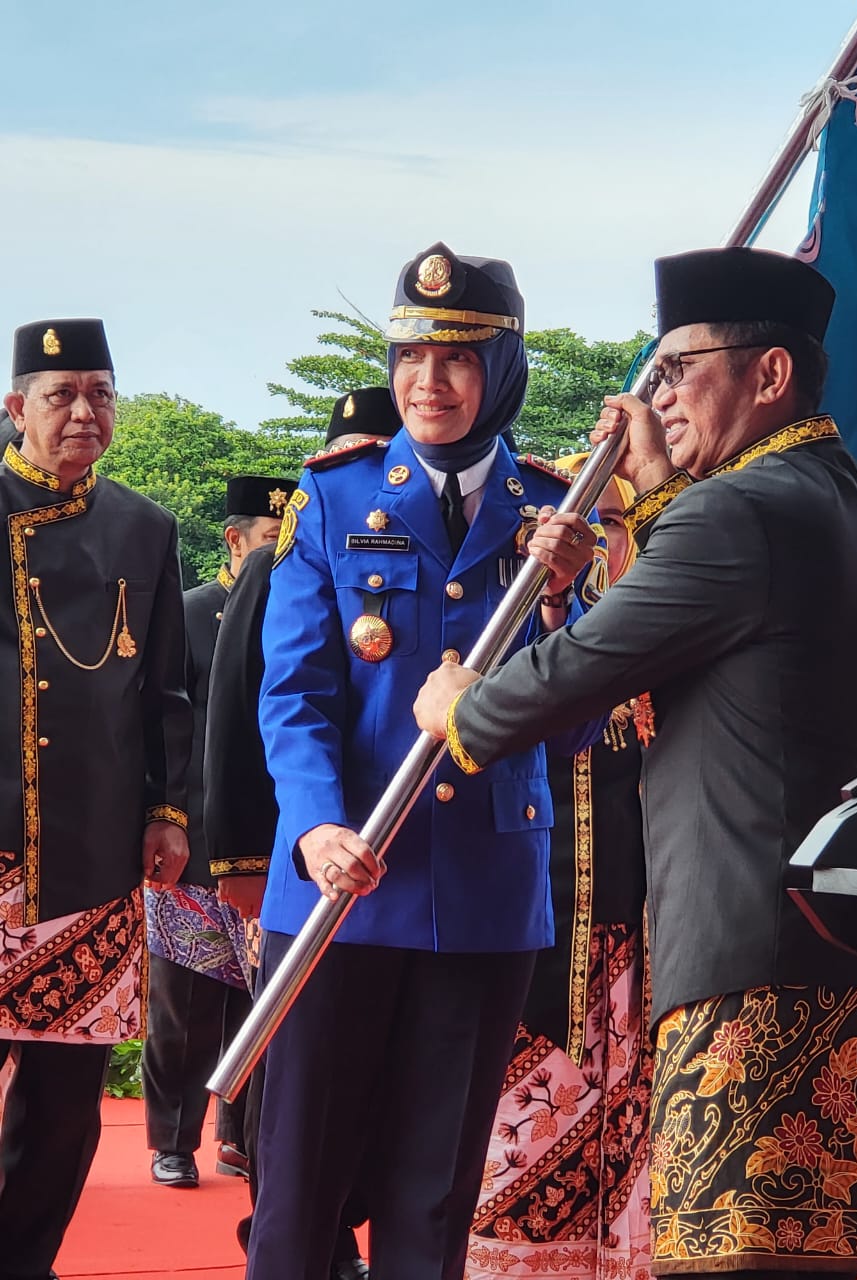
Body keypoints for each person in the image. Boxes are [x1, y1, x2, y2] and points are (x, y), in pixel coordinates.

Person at [414, 247, 857, 1280]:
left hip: (741, 964)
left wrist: (464, 706)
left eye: (679, 367)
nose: (659, 396)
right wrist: (653, 497)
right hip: (829, 951)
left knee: (734, 1262)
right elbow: (711, 630)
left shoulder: (741, 513)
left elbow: (575, 669)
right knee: (807, 1260)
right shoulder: (855, 506)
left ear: (768, 375)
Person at [246, 242, 598, 1280]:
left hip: (481, 896)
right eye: (409, 355)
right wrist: (313, 823)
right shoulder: (337, 500)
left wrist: (562, 599)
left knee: (433, 1195)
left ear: (506, 368)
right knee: (299, 1190)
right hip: (336, 884)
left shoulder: (553, 517)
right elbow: (296, 691)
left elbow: (571, 728)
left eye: (457, 358)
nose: (427, 382)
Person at [0, 318, 191, 1280]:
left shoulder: (146, 529)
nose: (84, 412)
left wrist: (169, 811)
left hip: (91, 848)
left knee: (68, 1088)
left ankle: (25, 1259)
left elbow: (167, 693)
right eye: (61, 394)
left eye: (100, 393)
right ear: (14, 408)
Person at [204, 386, 402, 1276]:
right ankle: (299, 1236)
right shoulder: (289, 551)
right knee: (294, 1081)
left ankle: (340, 1234)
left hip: (392, 869)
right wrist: (244, 859)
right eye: (352, 448)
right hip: (297, 856)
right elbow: (246, 718)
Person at [466, 454, 653, 1280]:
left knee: (638, 1138)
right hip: (529, 922)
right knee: (519, 1129)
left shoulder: (669, 622)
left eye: (618, 526)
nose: (603, 546)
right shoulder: (517, 624)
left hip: (640, 934)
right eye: (589, 528)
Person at [143, 473, 295, 1190]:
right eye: (271, 541)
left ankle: (244, 1140)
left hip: (276, 843)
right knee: (185, 1007)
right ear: (235, 542)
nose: (282, 553)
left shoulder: (302, 609)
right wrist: (163, 817)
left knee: (261, 1001)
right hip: (192, 843)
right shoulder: (190, 613)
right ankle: (173, 1141)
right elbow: (164, 726)